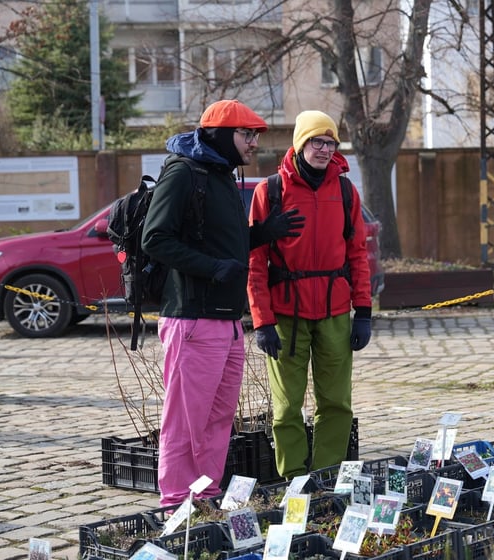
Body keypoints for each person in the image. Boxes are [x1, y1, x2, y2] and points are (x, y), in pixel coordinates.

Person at [141, 99, 303, 507]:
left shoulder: (222, 177)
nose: (253, 143)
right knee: (184, 420)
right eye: (246, 135)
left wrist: (264, 233)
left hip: (228, 322)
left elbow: (223, 243)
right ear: (220, 134)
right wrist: (213, 268)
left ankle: (206, 495)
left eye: (255, 136)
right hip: (193, 320)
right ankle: (176, 503)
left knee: (217, 420)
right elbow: (155, 239)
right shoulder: (182, 173)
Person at [247, 109, 373, 479]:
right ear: (300, 144)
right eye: (316, 141)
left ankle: (328, 476)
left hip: (335, 312)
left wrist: (363, 311)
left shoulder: (346, 190)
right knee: (286, 407)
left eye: (329, 142)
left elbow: (358, 254)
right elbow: (255, 262)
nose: (323, 149)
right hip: (286, 314)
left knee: (336, 403)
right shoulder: (269, 191)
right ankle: (294, 481)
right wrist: (262, 321)